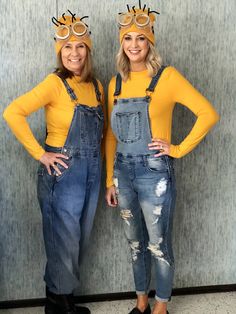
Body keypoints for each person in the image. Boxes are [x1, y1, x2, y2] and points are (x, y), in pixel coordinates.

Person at [105, 1, 219, 314]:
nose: (133, 45)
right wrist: (109, 180)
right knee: (134, 244)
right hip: (123, 174)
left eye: (140, 38)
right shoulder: (114, 84)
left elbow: (208, 113)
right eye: (128, 38)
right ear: (121, 43)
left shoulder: (167, 77)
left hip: (154, 174)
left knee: (158, 244)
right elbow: (111, 136)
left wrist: (178, 149)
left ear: (150, 40)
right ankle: (141, 302)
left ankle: (161, 307)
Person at [3, 10, 105, 314]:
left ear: (88, 50)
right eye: (67, 47)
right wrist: (40, 153)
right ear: (60, 52)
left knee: (80, 238)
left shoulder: (98, 87)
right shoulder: (54, 83)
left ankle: (59, 299)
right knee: (64, 239)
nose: (74, 53)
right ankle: (61, 304)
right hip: (64, 174)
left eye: (80, 46)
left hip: (92, 171)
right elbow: (13, 112)